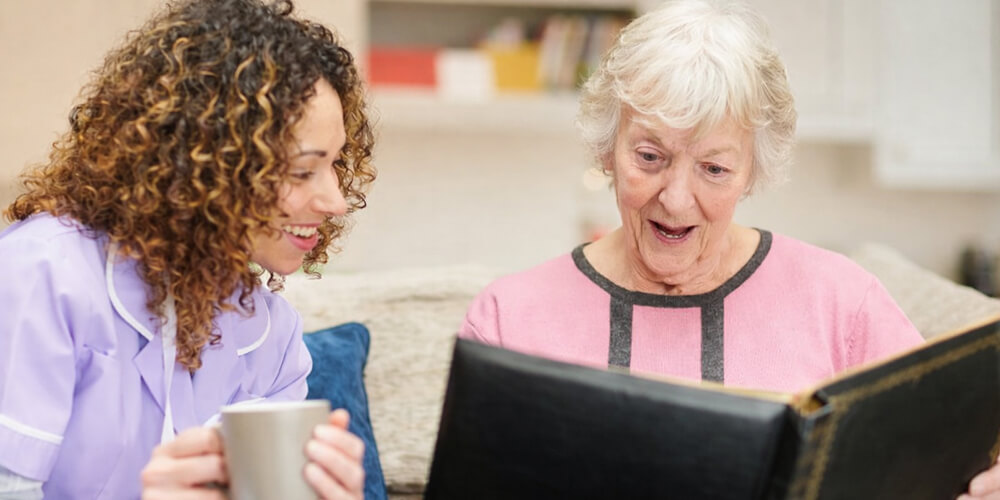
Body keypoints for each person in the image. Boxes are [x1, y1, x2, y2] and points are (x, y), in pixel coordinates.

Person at [457, 0, 1000, 497]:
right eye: (649, 157)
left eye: (714, 169)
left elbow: (944, 462)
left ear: (751, 173)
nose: (676, 199)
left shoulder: (843, 304)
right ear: (607, 148)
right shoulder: (507, 321)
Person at [0, 0, 376, 498]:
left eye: (336, 163)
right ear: (202, 164)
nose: (335, 201)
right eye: (302, 170)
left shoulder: (273, 337)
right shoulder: (41, 274)